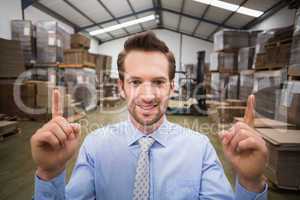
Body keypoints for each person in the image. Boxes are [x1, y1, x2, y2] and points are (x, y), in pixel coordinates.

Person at [31, 31, 268, 200]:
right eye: (135, 82)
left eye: (158, 82)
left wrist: (250, 183)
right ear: (122, 86)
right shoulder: (95, 147)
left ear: (171, 87)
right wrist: (50, 173)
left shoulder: (199, 149)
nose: (147, 95)